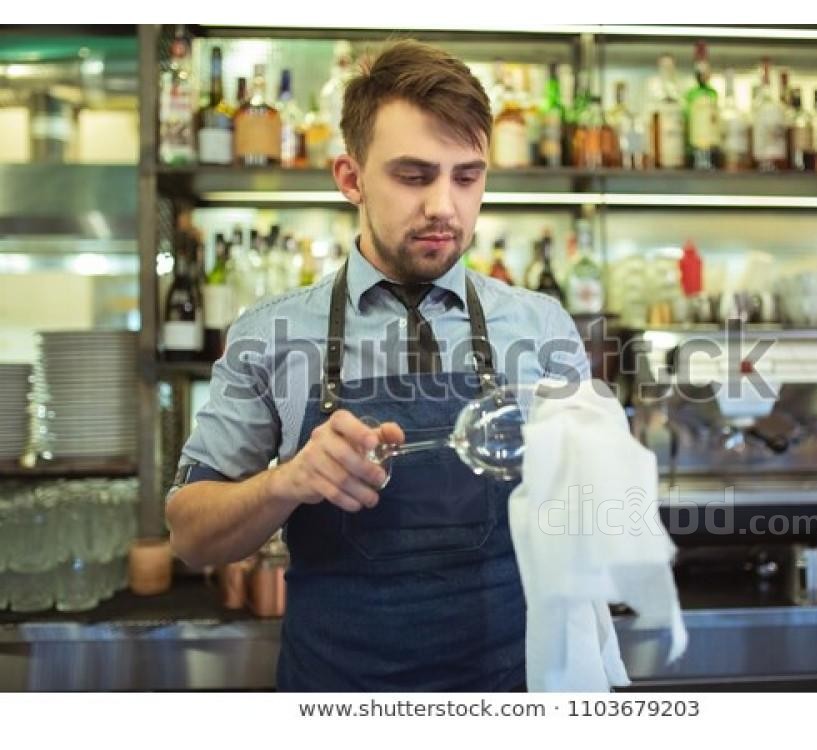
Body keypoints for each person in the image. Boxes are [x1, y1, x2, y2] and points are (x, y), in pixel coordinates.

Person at [165, 39, 590, 692]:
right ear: (351, 178)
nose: (445, 206)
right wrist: (289, 482)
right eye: (415, 176)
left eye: (467, 176)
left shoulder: (542, 326)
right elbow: (190, 532)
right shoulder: (270, 334)